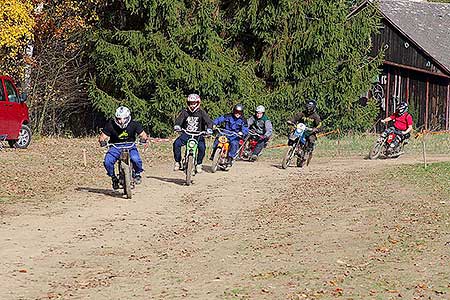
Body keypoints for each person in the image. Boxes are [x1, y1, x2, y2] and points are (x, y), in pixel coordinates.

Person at [99, 106, 149, 189]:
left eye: (124, 118)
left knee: (136, 159)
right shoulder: (110, 125)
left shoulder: (134, 124)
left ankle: (137, 174)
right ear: (115, 118)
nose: (121, 121)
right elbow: (102, 137)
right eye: (119, 119)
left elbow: (143, 135)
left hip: (130, 146)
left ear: (128, 117)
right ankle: (113, 178)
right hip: (115, 146)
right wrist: (102, 141)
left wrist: (143, 139)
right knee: (107, 161)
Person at [173, 93, 213, 173]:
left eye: (194, 103)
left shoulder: (201, 112)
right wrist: (177, 126)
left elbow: (209, 122)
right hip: (186, 133)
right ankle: (178, 162)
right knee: (176, 144)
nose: (192, 105)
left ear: (198, 103)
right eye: (190, 103)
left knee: (202, 147)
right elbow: (179, 120)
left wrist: (209, 129)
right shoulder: (185, 112)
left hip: (198, 134)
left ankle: (199, 164)